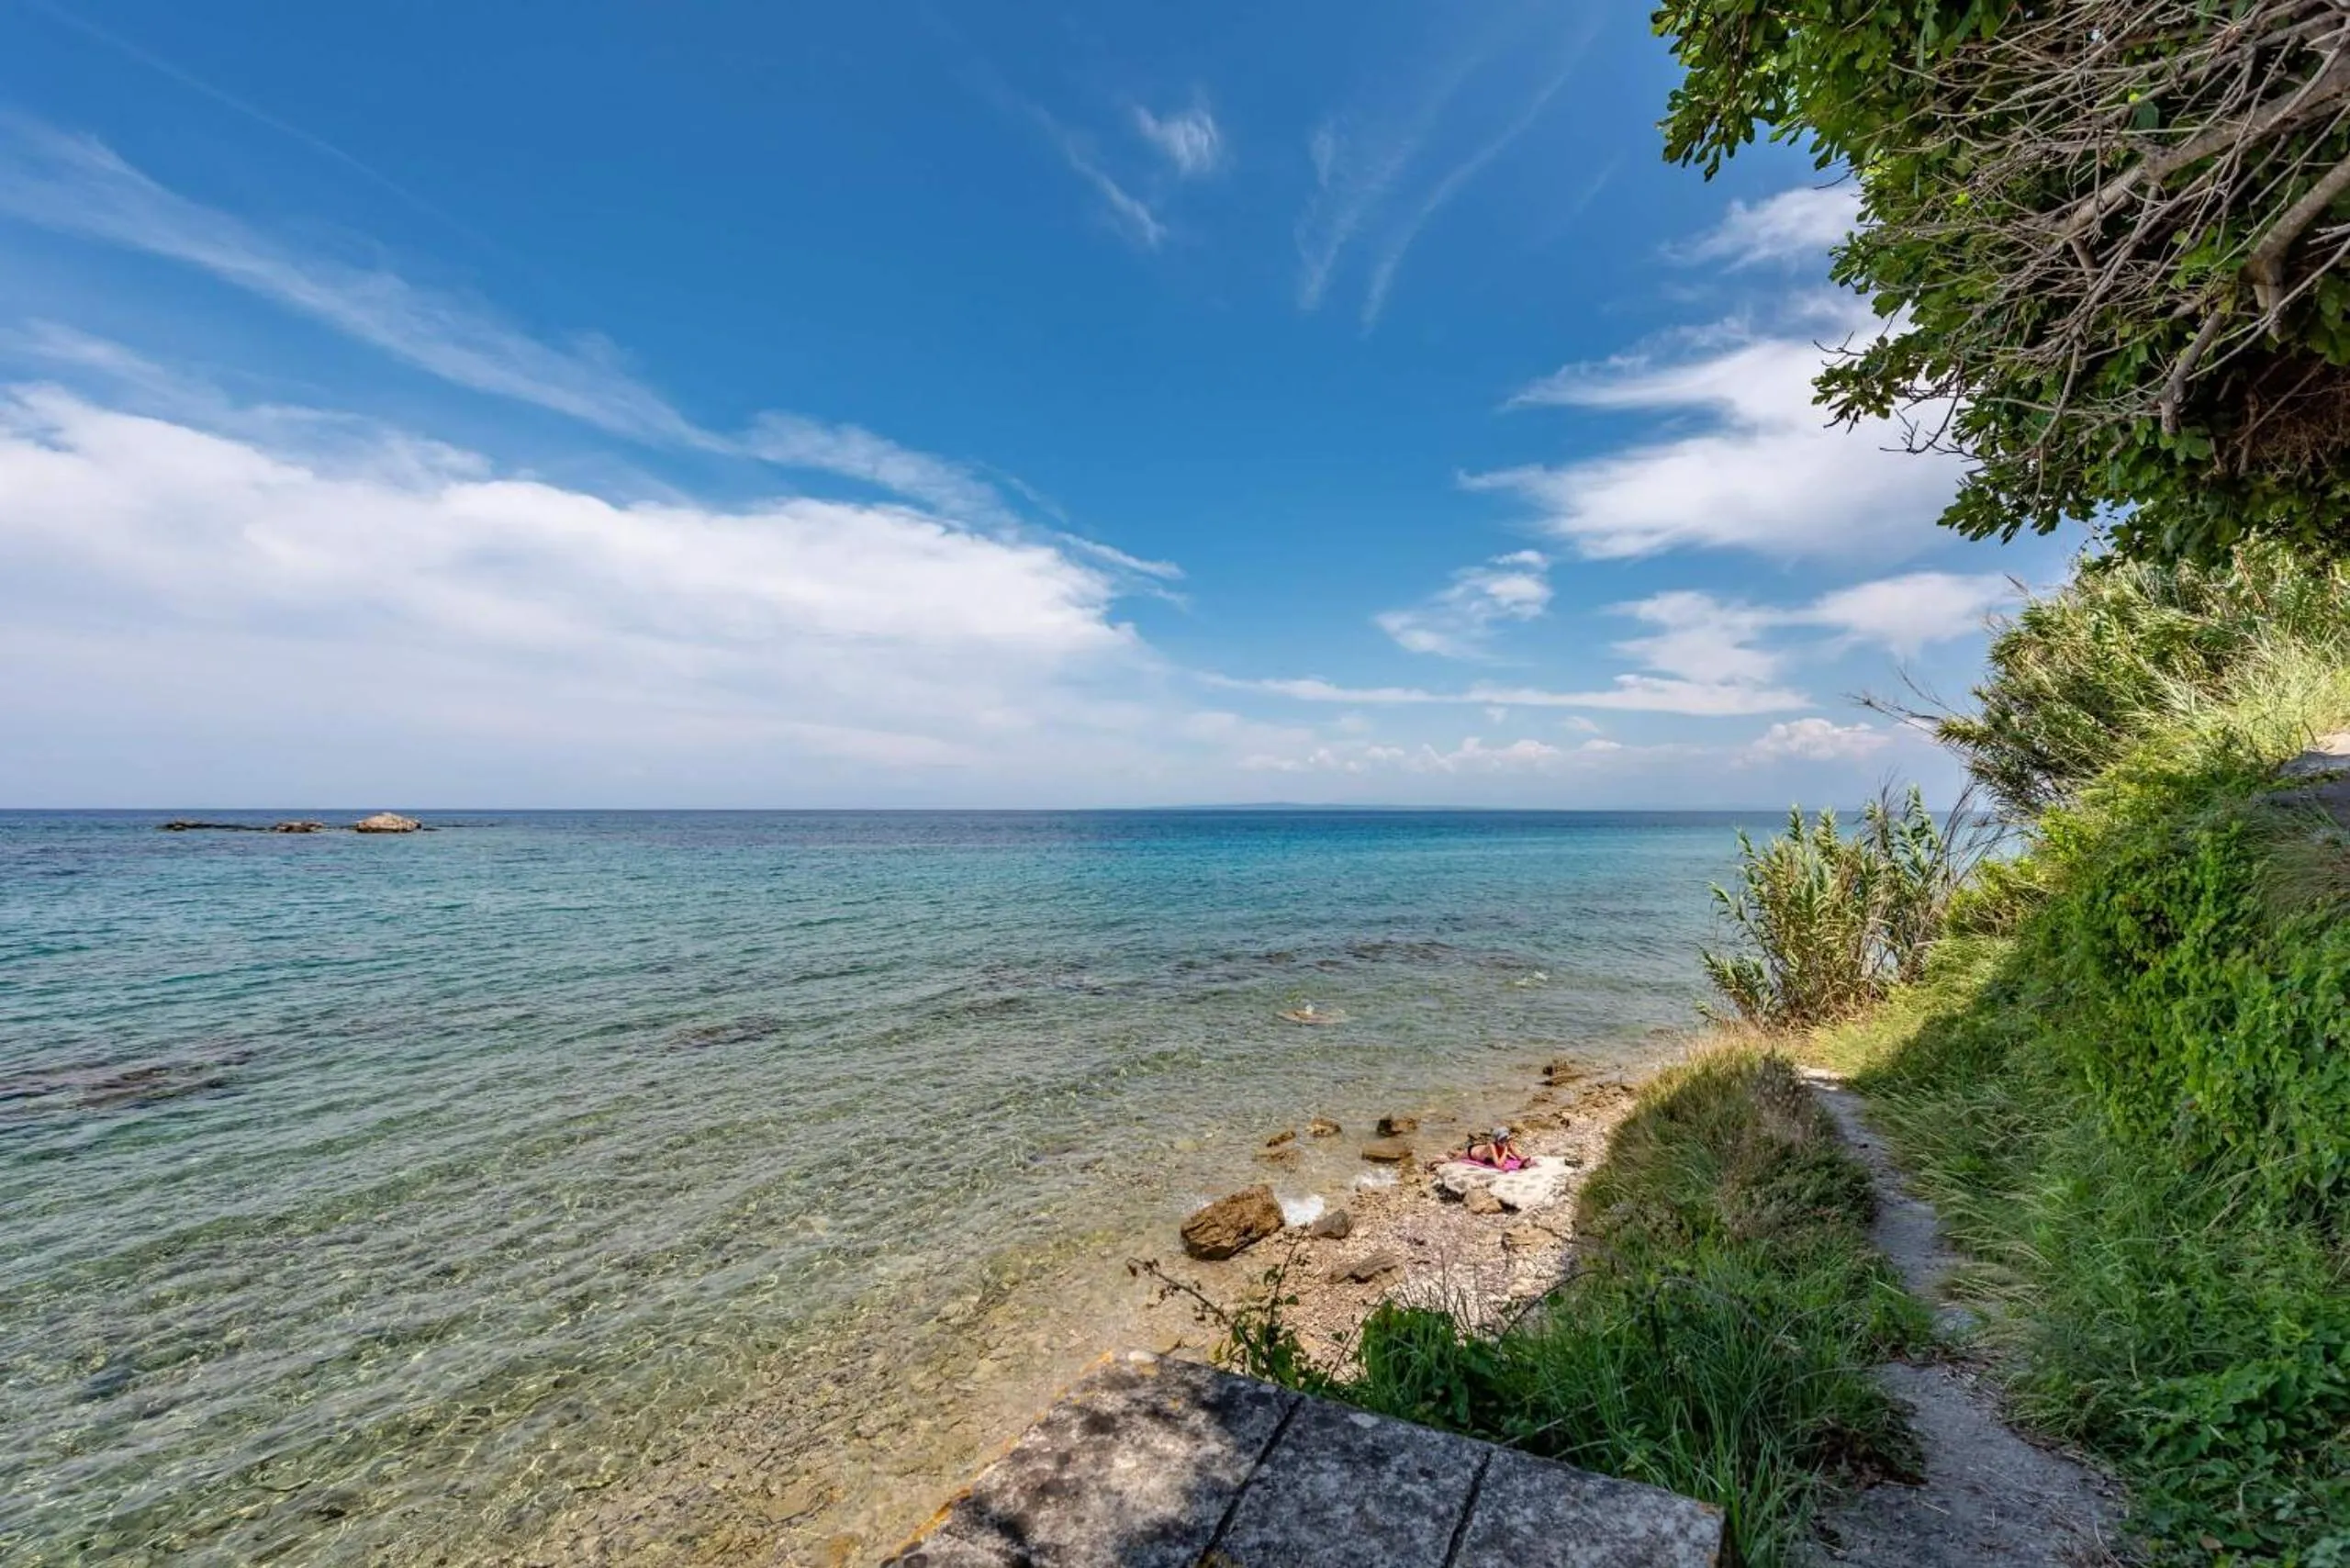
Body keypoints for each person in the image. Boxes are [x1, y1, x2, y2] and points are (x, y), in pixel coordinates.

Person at [1460, 1126, 1525, 1171]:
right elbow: (1499, 1165)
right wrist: (1505, 1150)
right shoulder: (1492, 1146)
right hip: (1471, 1152)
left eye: (1506, 1139)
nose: (1504, 1142)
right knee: (1457, 1157)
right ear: (1496, 1141)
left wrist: (1522, 1158)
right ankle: (1452, 1152)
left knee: (1459, 1153)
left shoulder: (1506, 1143)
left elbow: (1520, 1156)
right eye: (1501, 1140)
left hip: (1481, 1147)